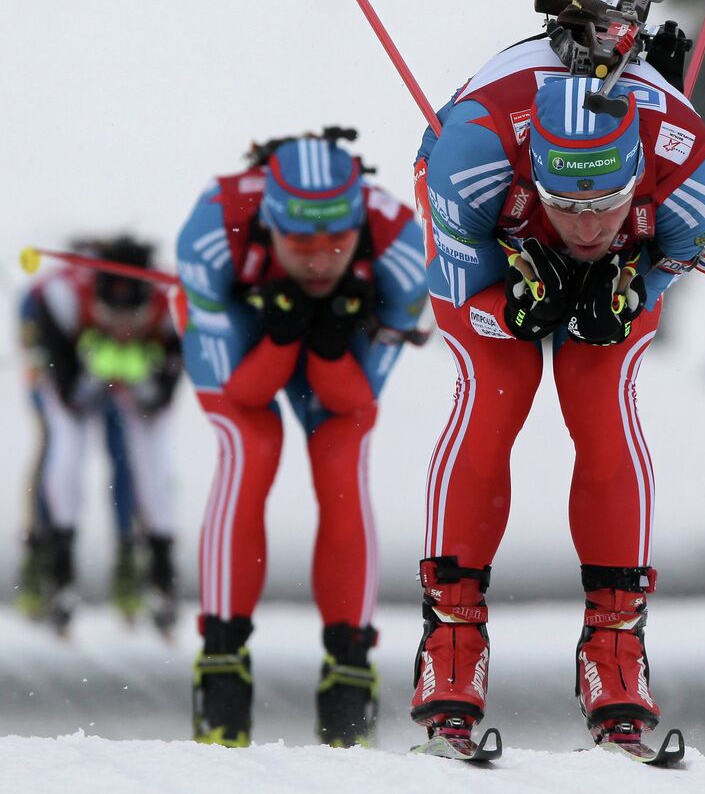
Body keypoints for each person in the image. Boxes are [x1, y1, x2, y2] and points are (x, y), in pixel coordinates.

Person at [409, 27, 705, 749]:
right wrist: (514, 306)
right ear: (536, 176)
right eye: (568, 204)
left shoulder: (695, 181)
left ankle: (616, 647)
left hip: (597, 234)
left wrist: (627, 289)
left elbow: (665, 273)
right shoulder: (472, 163)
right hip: (495, 233)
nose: (586, 228)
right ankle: (451, 639)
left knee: (601, 395)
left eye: (606, 203)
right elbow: (457, 291)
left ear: (639, 175)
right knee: (497, 389)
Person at [176, 128, 428, 748]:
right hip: (244, 339)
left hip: (332, 365)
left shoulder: (400, 249)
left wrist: (326, 342)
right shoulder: (212, 233)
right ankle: (221, 663)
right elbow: (243, 393)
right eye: (300, 241)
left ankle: (349, 668)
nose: (320, 258)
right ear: (269, 224)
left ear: (358, 224)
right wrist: (284, 333)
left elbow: (355, 402)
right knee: (250, 450)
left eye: (338, 240)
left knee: (342, 465)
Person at [17, 235, 182, 635]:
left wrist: (141, 377)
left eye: (133, 319)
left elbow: (160, 403)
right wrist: (91, 371)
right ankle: (51, 559)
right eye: (112, 316)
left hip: (120, 363)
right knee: (63, 451)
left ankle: (153, 563)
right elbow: (69, 401)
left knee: (142, 458)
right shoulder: (59, 299)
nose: (123, 329)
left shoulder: (170, 307)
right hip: (70, 354)